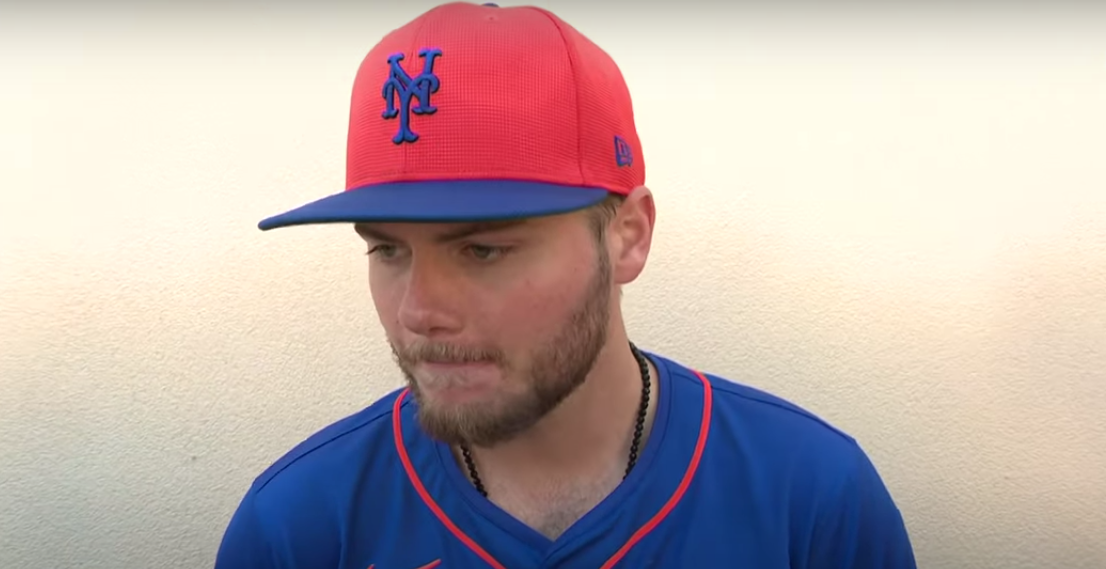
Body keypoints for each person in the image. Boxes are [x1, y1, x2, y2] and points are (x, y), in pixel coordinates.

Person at [214, 2, 917, 567]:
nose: (419, 311)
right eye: (389, 250)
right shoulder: (298, 527)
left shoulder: (811, 499)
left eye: (484, 249)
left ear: (629, 235)